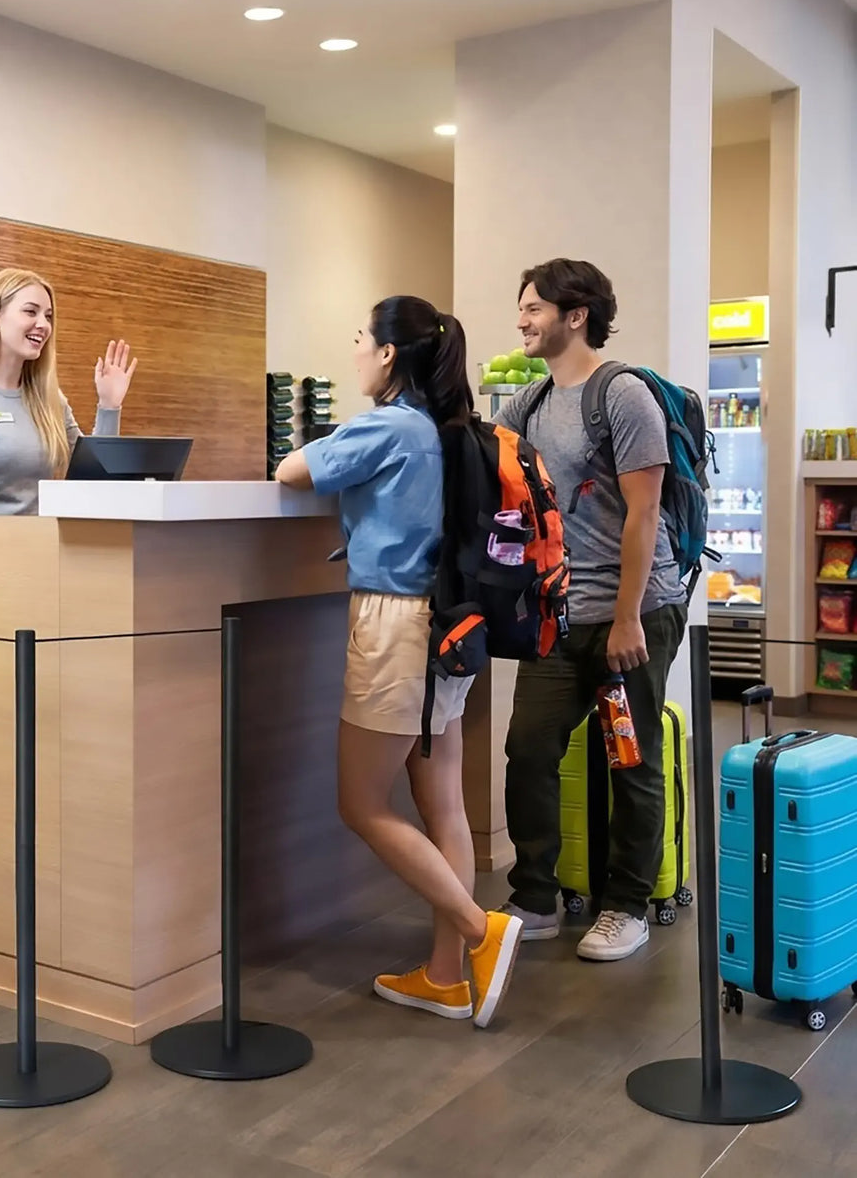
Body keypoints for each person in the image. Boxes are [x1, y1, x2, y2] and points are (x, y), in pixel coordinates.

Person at [275, 296, 523, 1028]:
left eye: (359, 338)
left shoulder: (389, 425)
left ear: (388, 355)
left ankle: (482, 932)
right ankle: (447, 975)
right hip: (451, 627)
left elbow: (293, 469)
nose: (353, 349)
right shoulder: (455, 432)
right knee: (441, 802)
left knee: (360, 803)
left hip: (395, 628)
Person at [493, 259, 687, 962]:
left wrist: (629, 618)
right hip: (561, 616)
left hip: (632, 612)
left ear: (575, 315)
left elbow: (644, 515)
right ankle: (535, 896)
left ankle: (627, 906)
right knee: (529, 749)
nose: (521, 320)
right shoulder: (530, 405)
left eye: (533, 308)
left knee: (629, 758)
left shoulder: (624, 395)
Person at [0, 267, 137, 515]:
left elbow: (96, 477)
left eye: (48, 316)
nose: (43, 325)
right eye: (30, 312)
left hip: (48, 546)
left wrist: (109, 406)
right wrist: (22, 543)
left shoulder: (48, 398)